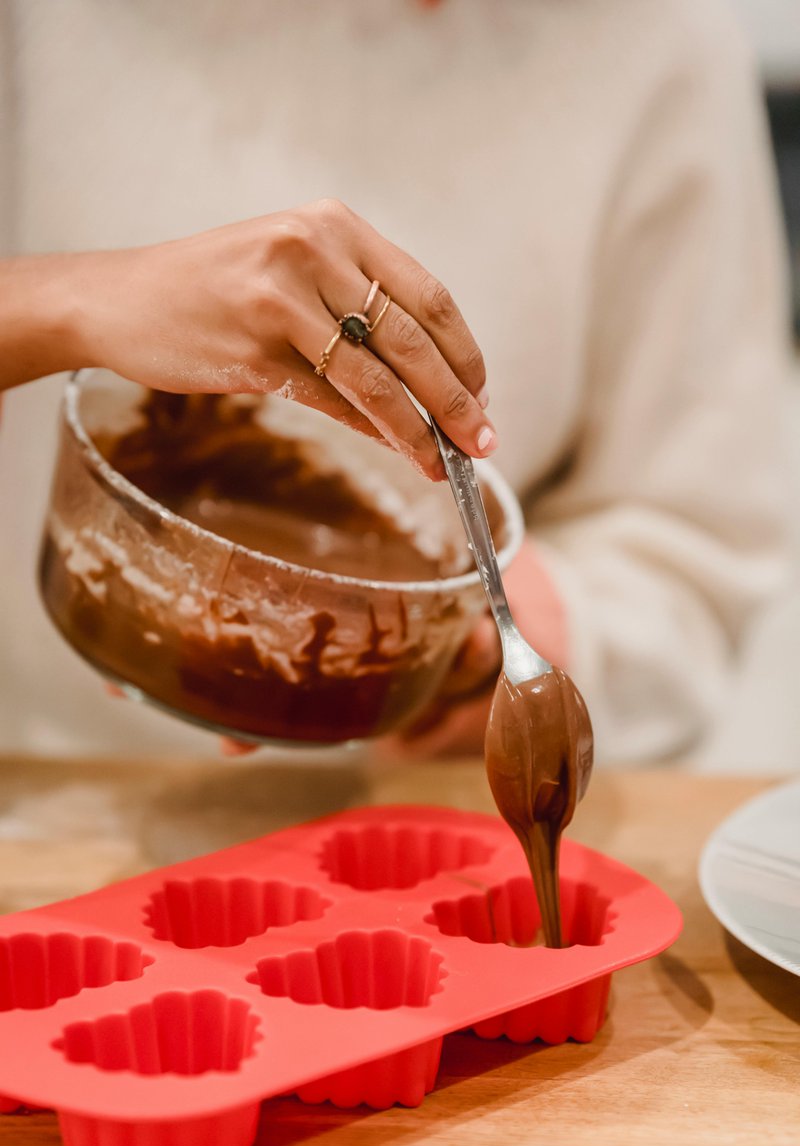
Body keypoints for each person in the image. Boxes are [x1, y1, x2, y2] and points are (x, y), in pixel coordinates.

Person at [0, 0, 792, 764]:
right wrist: (67, 301)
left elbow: (691, 551)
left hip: (399, 818)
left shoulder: (661, 43)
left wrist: (498, 646)